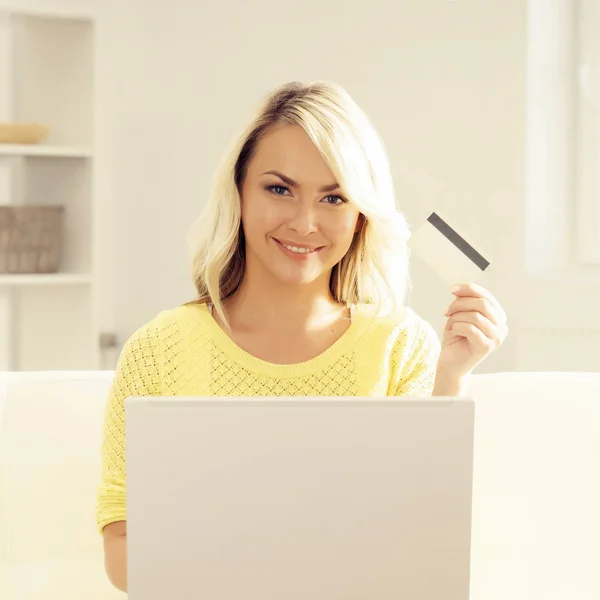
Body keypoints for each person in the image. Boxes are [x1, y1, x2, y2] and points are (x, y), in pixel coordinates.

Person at [97, 81, 508, 592]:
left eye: (334, 197)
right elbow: (122, 550)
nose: (304, 223)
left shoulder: (402, 344)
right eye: (279, 189)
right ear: (239, 193)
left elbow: (424, 541)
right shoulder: (159, 348)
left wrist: (451, 378)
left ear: (360, 215)